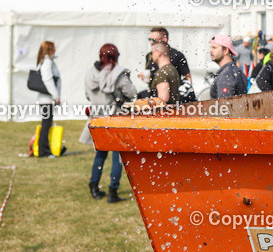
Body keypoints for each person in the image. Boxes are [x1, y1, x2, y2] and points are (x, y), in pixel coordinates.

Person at [80, 44, 138, 203]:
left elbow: (87, 95)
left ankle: (94, 185)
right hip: (115, 119)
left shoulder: (89, 73)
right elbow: (132, 94)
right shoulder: (119, 74)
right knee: (117, 156)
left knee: (100, 154)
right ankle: (113, 190)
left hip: (97, 119)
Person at [139, 27, 191, 96]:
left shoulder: (177, 55)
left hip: (171, 95)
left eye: (154, 40)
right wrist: (146, 77)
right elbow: (152, 77)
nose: (151, 42)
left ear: (164, 39)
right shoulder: (149, 56)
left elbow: (188, 78)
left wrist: (182, 94)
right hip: (155, 93)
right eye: (150, 39)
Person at [35, 40, 61, 158]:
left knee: (46, 124)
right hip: (47, 100)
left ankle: (45, 149)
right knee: (46, 125)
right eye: (53, 48)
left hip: (46, 100)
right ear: (50, 49)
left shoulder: (45, 61)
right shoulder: (47, 63)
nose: (55, 50)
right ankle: (43, 151)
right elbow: (48, 80)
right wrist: (56, 96)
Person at [209, 34, 248, 98]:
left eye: (214, 47)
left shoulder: (226, 76)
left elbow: (224, 105)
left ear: (225, 50)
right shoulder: (236, 70)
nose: (210, 50)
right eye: (210, 47)